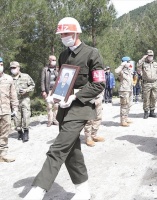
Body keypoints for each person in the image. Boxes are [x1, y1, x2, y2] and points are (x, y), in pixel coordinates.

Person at [23, 17, 105, 200]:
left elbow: (99, 84)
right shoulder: (63, 55)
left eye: (66, 33)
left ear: (76, 33)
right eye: (61, 34)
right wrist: (55, 94)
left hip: (81, 108)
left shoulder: (92, 53)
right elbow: (62, 81)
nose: (63, 37)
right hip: (64, 109)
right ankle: (83, 191)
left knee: (58, 148)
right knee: (72, 152)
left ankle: (38, 190)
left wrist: (75, 95)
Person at [10, 61, 35, 142]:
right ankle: (20, 132)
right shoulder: (9, 79)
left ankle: (26, 132)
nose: (13, 69)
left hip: (25, 100)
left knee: (26, 116)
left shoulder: (26, 76)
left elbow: (32, 85)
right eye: (11, 68)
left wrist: (26, 90)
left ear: (18, 68)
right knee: (16, 118)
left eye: (14, 68)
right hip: (15, 102)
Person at [0, 57, 19, 162]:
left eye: (1, 64)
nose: (0, 66)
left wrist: (15, 108)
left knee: (5, 133)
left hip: (6, 110)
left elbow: (13, 95)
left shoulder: (8, 79)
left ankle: (2, 155)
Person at [137, 50, 157, 119]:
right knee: (146, 98)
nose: (150, 57)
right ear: (146, 56)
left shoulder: (156, 64)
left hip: (154, 83)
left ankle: (152, 111)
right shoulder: (143, 63)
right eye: (149, 55)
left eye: (151, 55)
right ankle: (146, 112)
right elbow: (138, 66)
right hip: (146, 83)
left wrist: (156, 79)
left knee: (154, 97)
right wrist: (143, 58)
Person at [41, 55, 59, 127]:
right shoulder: (45, 69)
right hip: (48, 91)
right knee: (49, 106)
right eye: (53, 60)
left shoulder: (57, 69)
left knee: (56, 106)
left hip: (56, 91)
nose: (54, 61)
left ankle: (55, 120)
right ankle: (50, 121)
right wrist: (43, 91)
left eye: (55, 60)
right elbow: (42, 81)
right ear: (49, 60)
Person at [115, 56, 133, 127]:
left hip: (129, 89)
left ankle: (126, 118)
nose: (129, 63)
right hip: (124, 90)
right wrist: (122, 64)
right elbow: (116, 71)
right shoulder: (121, 70)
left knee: (129, 104)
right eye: (128, 62)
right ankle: (123, 121)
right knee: (124, 105)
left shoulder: (129, 70)